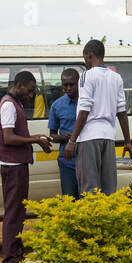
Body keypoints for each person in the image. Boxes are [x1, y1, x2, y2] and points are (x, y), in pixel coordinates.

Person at [64, 39, 132, 194]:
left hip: (89, 137)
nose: (84, 61)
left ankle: (91, 218)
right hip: (109, 137)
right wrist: (127, 141)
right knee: (108, 188)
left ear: (89, 55)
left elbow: (84, 110)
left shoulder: (86, 76)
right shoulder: (116, 77)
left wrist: (72, 141)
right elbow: (122, 112)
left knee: (89, 188)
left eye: (84, 58)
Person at [0, 70, 52, 263]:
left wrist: (35, 138)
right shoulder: (9, 105)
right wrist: (34, 140)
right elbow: (8, 138)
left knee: (18, 211)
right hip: (13, 167)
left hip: (16, 164)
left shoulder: (14, 102)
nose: (30, 95)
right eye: (28, 91)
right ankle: (11, 258)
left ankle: (15, 254)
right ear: (18, 85)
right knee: (14, 212)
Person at [48, 67, 81, 199]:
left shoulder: (87, 102)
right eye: (65, 85)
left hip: (87, 158)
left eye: (71, 84)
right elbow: (52, 135)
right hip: (67, 161)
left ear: (79, 82)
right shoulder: (57, 105)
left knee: (88, 199)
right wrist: (62, 137)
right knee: (69, 199)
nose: (68, 88)